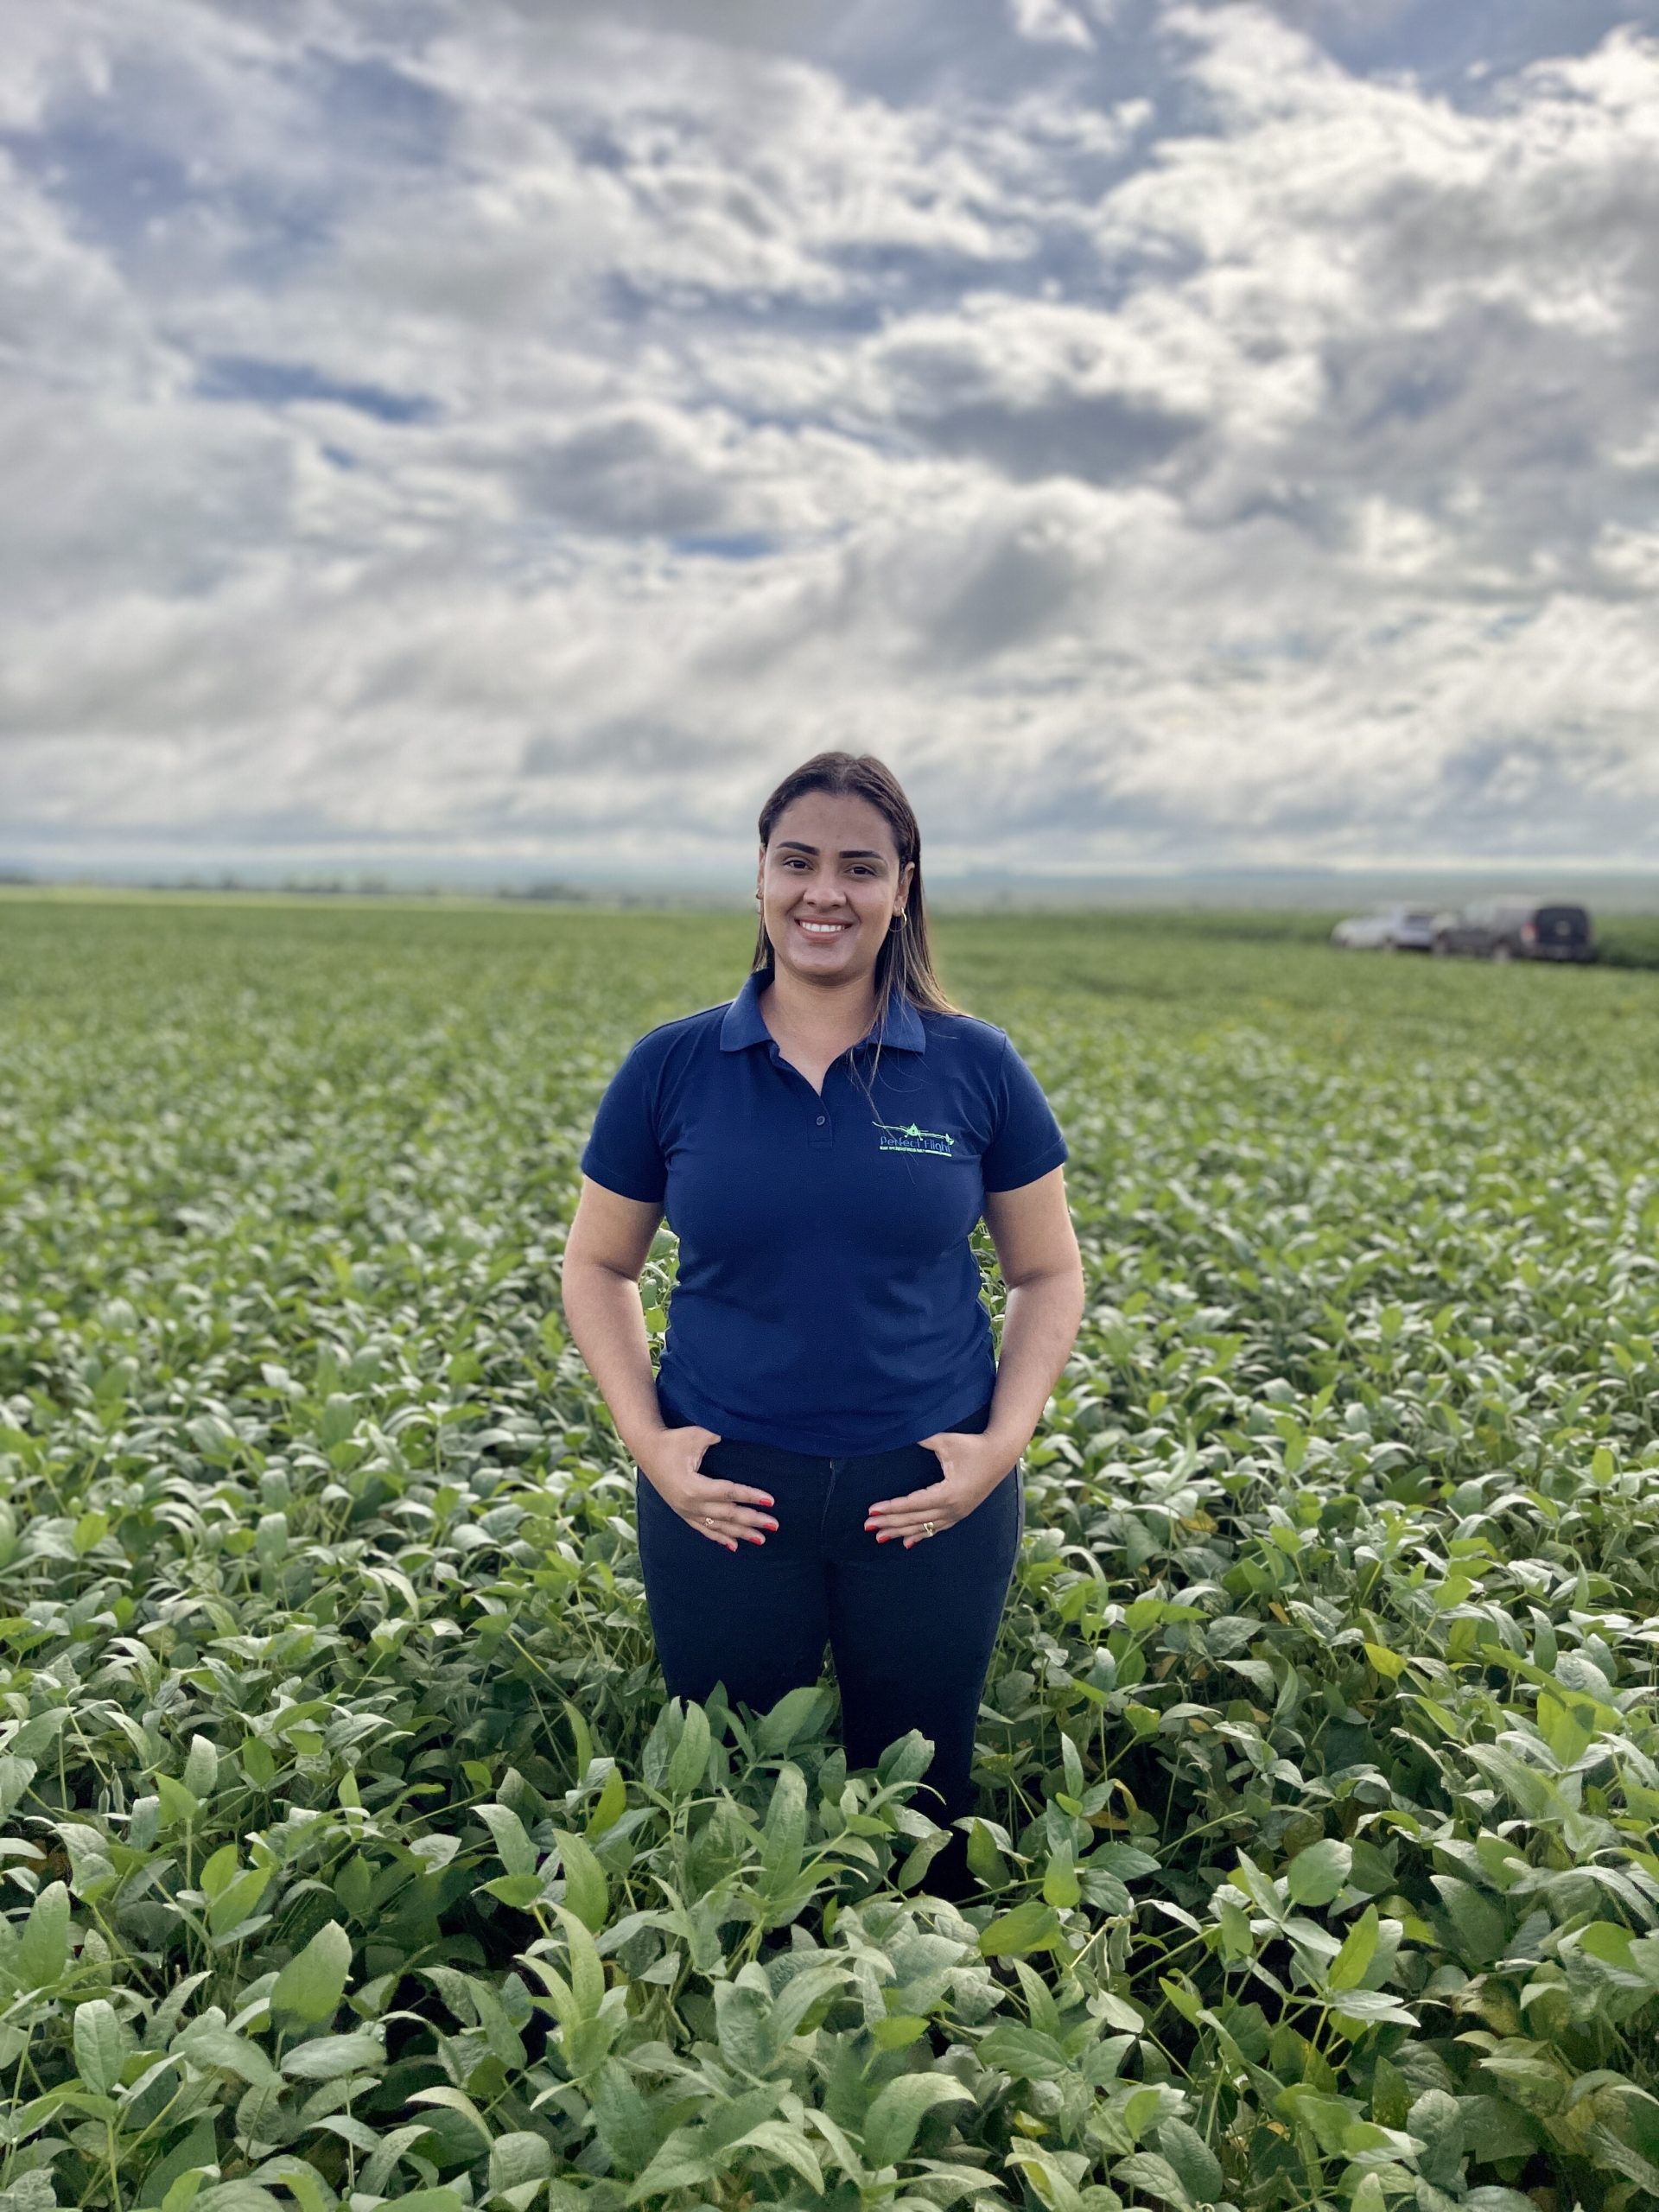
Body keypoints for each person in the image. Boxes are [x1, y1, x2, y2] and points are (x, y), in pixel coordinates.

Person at [562, 752, 1084, 1895]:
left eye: (860, 867)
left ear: (903, 889)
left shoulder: (974, 1066)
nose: (824, 893)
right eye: (798, 862)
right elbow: (598, 1267)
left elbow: (1048, 1274)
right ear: (759, 876)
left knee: (925, 1809)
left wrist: (998, 1449)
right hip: (724, 1500)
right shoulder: (673, 1067)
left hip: (930, 1498)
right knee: (733, 1814)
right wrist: (651, 1445)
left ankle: (921, 1993)